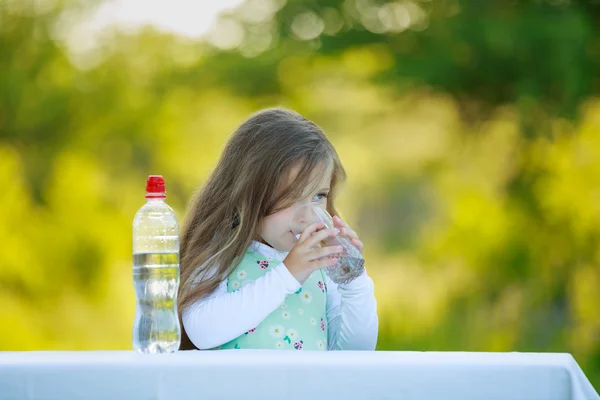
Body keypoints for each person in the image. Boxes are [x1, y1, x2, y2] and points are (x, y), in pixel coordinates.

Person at [178, 108, 378, 351]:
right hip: (237, 390)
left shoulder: (321, 265)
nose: (307, 216)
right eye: (291, 197)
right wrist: (287, 275)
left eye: (319, 195)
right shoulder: (222, 252)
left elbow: (356, 351)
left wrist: (353, 281)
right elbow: (202, 331)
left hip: (308, 390)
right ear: (248, 194)